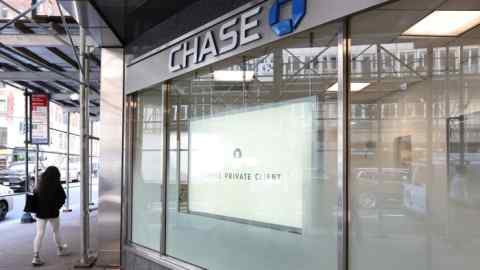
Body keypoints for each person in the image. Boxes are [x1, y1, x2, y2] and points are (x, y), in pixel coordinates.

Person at [32, 166, 69, 266]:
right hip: (53, 212)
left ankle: (36, 257)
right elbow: (63, 197)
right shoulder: (56, 184)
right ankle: (60, 249)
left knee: (39, 233)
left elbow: (35, 196)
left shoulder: (40, 183)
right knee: (56, 231)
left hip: (40, 213)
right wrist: (57, 206)